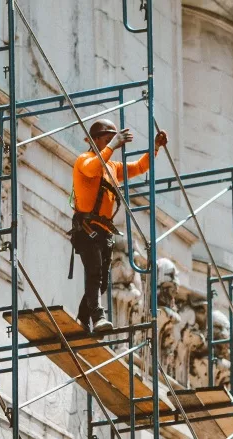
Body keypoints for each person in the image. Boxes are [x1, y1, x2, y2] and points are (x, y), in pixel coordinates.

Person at [68, 119, 167, 333]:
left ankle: (82, 318)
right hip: (87, 229)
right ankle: (98, 317)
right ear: (94, 140)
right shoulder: (84, 160)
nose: (111, 143)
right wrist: (113, 145)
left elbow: (139, 167)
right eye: (107, 139)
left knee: (103, 282)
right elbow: (92, 169)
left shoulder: (112, 167)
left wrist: (155, 147)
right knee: (94, 273)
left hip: (103, 232)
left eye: (112, 140)